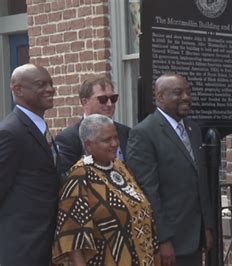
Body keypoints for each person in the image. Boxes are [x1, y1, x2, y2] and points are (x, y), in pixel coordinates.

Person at [126, 73, 213, 266]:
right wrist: (163, 240)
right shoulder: (144, 133)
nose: (186, 97)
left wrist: (206, 228)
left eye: (188, 92)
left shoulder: (193, 129)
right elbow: (148, 192)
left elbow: (199, 182)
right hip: (170, 241)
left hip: (195, 237)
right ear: (159, 97)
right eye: (178, 93)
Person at [52, 114, 160, 265]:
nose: (115, 143)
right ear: (88, 145)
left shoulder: (120, 167)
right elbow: (72, 237)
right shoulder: (79, 176)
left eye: (116, 137)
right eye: (107, 140)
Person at [0, 64, 59, 265]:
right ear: (18, 89)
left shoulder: (41, 128)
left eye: (50, 84)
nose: (50, 89)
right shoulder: (10, 133)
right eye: (41, 84)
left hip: (46, 245)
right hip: (22, 248)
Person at [55, 75, 130, 176]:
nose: (109, 104)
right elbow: (66, 179)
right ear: (85, 102)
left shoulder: (126, 132)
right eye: (103, 99)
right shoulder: (69, 138)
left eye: (113, 98)